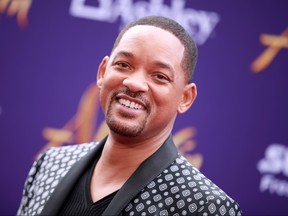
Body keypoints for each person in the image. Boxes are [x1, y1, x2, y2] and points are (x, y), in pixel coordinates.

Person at [17, 16, 242, 216]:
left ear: (185, 98)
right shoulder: (50, 165)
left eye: (159, 76)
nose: (134, 83)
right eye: (123, 65)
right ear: (103, 72)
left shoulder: (207, 207)